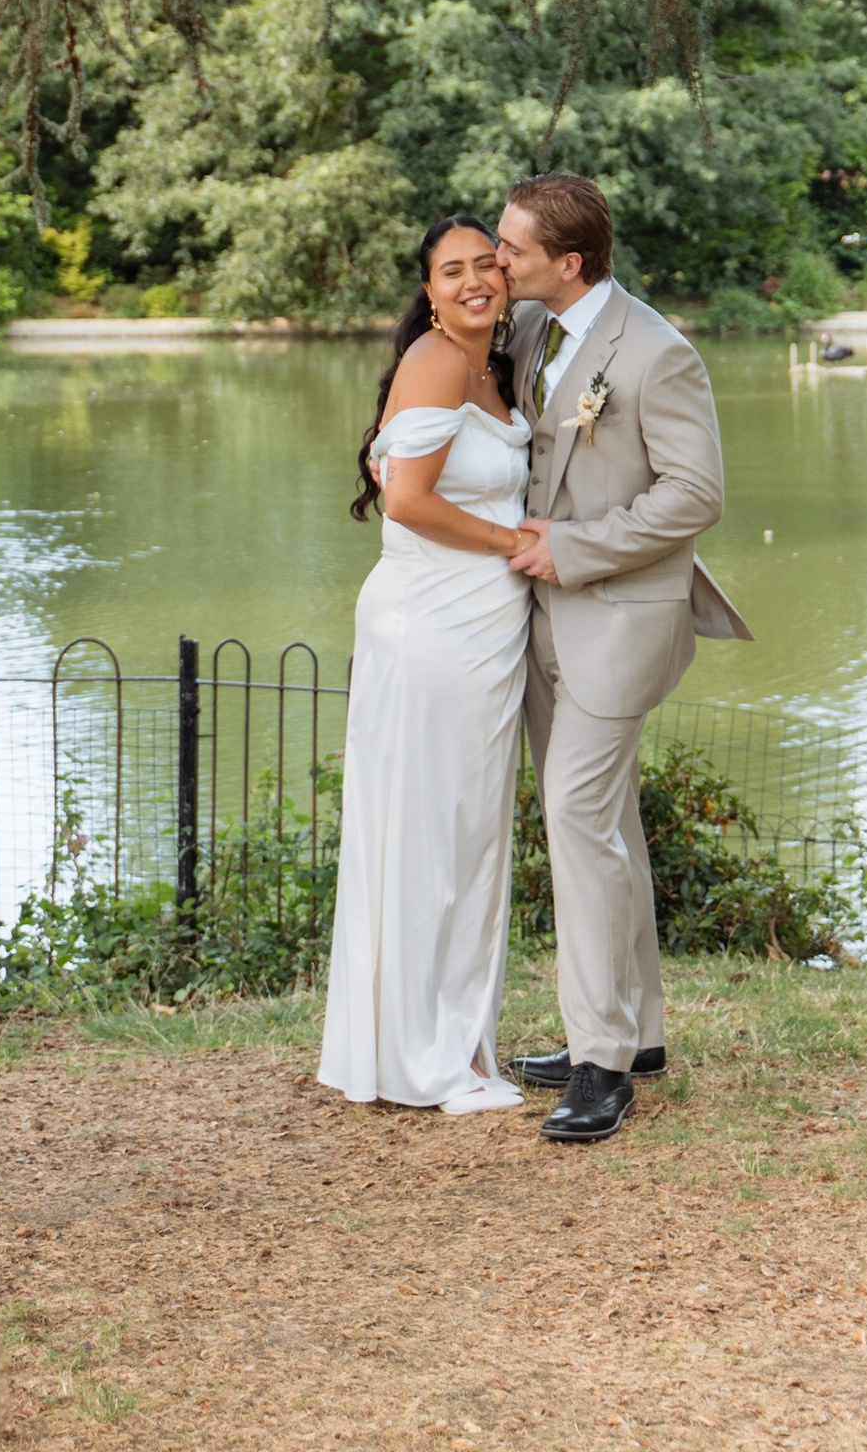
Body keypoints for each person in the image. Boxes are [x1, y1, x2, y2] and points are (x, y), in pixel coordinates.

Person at [495, 173, 751, 1147]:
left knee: (574, 814)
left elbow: (695, 496)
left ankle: (599, 1064)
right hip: (540, 620)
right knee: (607, 826)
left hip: (620, 618)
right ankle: (634, 1033)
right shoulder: (528, 332)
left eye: (512, 249)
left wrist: (576, 547)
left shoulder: (657, 353)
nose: (497, 259)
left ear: (569, 262)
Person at [316, 212, 533, 1116]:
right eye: (454, 271)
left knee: (465, 837)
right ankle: (422, 1056)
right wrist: (512, 540)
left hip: (482, 629)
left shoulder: (498, 364)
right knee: (428, 835)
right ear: (430, 291)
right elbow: (405, 501)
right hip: (434, 625)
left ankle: (453, 1042)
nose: (477, 280)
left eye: (489, 263)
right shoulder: (439, 363)